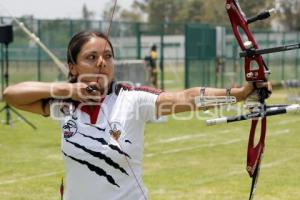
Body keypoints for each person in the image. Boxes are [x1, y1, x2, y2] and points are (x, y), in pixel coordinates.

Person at [3, 30, 272, 200]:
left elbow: (186, 97)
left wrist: (238, 93)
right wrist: (70, 90)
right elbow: (11, 94)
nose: (102, 62)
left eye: (108, 56)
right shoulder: (64, 105)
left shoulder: (132, 98)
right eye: (92, 57)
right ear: (72, 67)